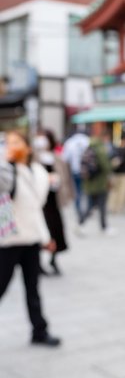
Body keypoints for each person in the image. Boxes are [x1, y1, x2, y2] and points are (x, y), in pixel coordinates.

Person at [0, 130, 61, 347]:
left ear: (27, 146)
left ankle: (39, 331)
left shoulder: (38, 172)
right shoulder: (6, 170)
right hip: (8, 241)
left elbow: (36, 209)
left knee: (33, 289)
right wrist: (4, 160)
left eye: (16, 141)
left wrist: (46, 237)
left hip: (32, 240)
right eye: (8, 142)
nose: (11, 145)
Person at [34, 129, 73, 275]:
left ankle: (53, 259)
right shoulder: (34, 158)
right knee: (40, 232)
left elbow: (65, 177)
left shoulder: (57, 158)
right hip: (39, 202)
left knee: (56, 230)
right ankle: (37, 263)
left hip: (54, 200)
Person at [79, 134, 112, 234]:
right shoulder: (100, 149)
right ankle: (104, 227)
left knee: (91, 205)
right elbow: (106, 167)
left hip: (89, 183)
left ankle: (81, 223)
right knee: (101, 206)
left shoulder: (88, 148)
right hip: (100, 183)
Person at [62, 126, 90, 223]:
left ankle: (79, 210)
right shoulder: (88, 141)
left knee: (77, 191)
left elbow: (65, 158)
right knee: (86, 192)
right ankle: (87, 210)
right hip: (87, 172)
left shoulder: (70, 143)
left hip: (75, 171)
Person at [107, 135, 125, 214]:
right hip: (124, 175)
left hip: (115, 174)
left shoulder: (116, 150)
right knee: (122, 192)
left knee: (114, 191)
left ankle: (112, 207)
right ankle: (118, 208)